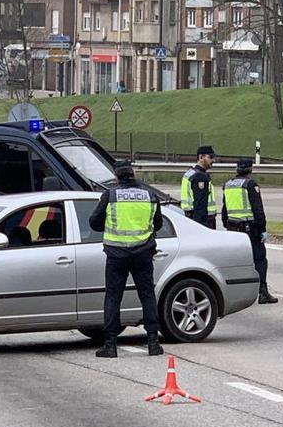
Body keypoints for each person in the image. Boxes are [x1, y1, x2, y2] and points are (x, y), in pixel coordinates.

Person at [89, 160, 164, 358]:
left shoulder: (110, 195)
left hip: (116, 254)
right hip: (143, 253)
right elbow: (158, 223)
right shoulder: (149, 195)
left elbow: (94, 223)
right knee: (147, 295)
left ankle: (110, 345)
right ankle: (153, 343)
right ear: (133, 175)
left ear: (117, 177)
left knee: (113, 297)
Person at [221, 158, 278, 304]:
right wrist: (262, 229)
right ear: (250, 169)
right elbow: (258, 210)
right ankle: (262, 292)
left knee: (237, 260)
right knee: (259, 259)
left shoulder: (227, 185)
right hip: (249, 228)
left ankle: (236, 293)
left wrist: (227, 225)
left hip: (233, 228)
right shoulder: (250, 185)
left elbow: (224, 209)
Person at [180, 146, 217, 229]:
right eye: (210, 157)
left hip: (191, 218)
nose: (213, 160)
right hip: (203, 221)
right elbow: (200, 205)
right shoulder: (199, 177)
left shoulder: (190, 173)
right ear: (201, 157)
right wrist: (202, 227)